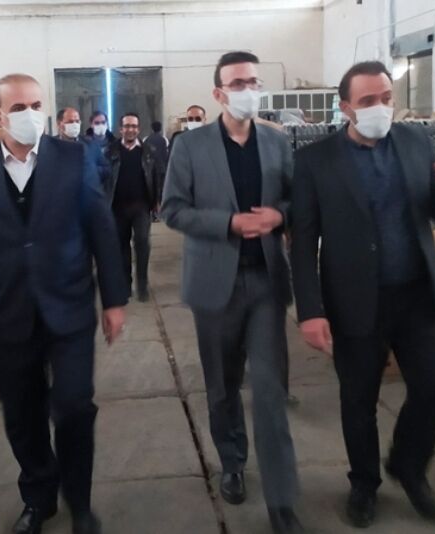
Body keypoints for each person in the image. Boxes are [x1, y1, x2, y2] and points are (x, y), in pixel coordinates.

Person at [0, 73, 129, 534]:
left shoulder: (73, 158)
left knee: (74, 406)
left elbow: (101, 228)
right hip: (9, 311)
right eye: (18, 108)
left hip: (69, 306)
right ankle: (40, 497)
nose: (29, 115)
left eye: (36, 105)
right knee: (22, 415)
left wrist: (114, 299)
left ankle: (79, 502)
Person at [291, 61, 435, 529]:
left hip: (416, 295)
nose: (381, 108)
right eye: (368, 101)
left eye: (387, 98)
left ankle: (408, 465)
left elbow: (431, 207)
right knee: (358, 402)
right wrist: (310, 310)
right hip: (354, 300)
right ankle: (364, 483)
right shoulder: (315, 161)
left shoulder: (413, 142)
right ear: (346, 107)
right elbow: (303, 241)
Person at [162, 51, 302, 534]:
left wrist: (279, 215)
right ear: (218, 93)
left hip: (265, 281)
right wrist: (229, 223)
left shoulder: (277, 141)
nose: (247, 90)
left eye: (253, 81)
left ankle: (282, 500)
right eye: (237, 83)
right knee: (222, 387)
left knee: (269, 390)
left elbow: (294, 199)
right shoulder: (190, 146)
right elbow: (172, 209)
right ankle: (233, 462)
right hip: (214, 284)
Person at [107, 112, 159, 302]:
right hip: (117, 208)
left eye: (134, 126)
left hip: (141, 207)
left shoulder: (149, 151)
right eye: (127, 126)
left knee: (142, 243)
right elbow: (104, 180)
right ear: (120, 129)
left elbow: (156, 177)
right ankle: (125, 285)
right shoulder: (110, 152)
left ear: (139, 129)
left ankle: (142, 285)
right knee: (121, 247)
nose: (131, 129)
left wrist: (157, 201)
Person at [57, 107, 112, 192]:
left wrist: (90, 170)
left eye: (77, 121)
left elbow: (107, 169)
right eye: (70, 122)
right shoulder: (51, 145)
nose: (74, 125)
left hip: (85, 195)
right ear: (59, 124)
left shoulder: (91, 145)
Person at [143, 121, 170, 220]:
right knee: (161, 190)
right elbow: (166, 154)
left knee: (151, 189)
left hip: (150, 169)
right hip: (162, 168)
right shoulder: (164, 139)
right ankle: (159, 211)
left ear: (151, 128)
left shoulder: (146, 139)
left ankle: (151, 212)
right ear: (160, 128)